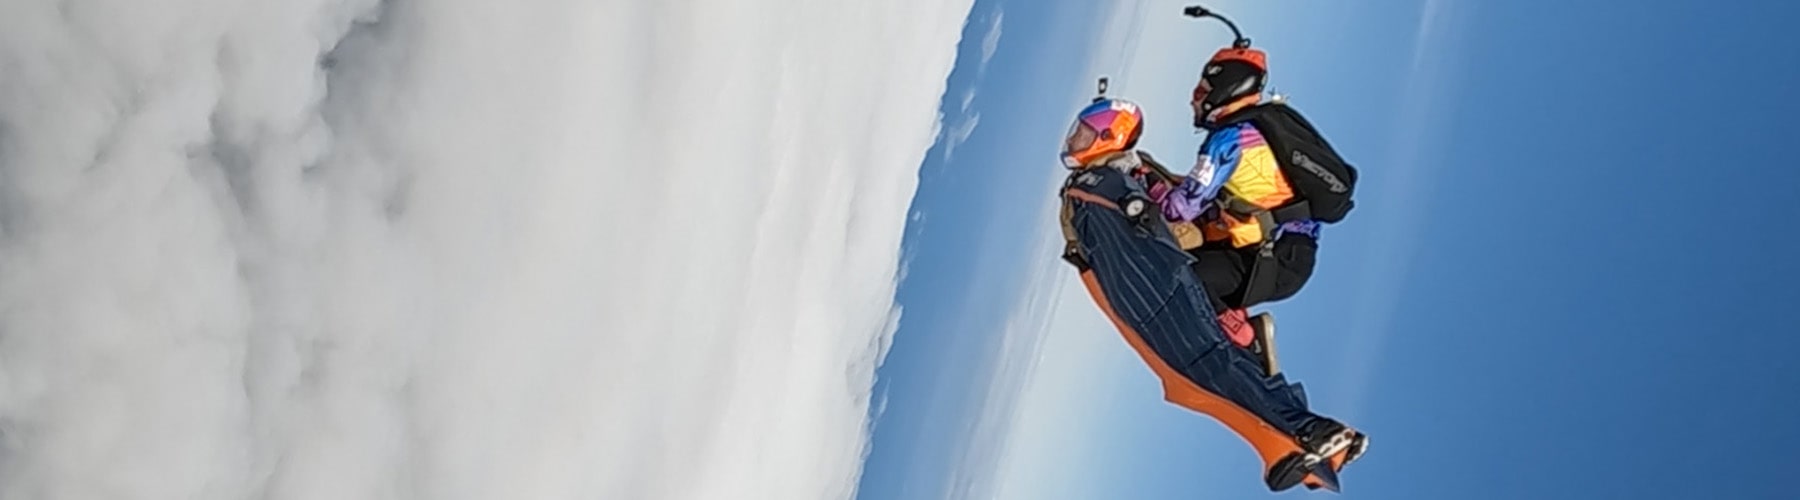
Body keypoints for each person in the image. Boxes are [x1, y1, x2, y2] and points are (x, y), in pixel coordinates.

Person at [1056, 86, 1368, 493]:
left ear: (1108, 137)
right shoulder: (1122, 176)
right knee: (1208, 364)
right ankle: (1302, 426)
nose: (1073, 141)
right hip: (1232, 264)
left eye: (1084, 133)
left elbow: (1168, 220)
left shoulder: (1102, 183)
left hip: (1190, 277)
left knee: (1201, 363)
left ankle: (1309, 433)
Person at [1152, 7, 1363, 378]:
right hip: (1278, 254)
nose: (1193, 99)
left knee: (1181, 274)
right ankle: (1231, 322)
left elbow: (1180, 207)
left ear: (1224, 88)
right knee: (1184, 252)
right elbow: (1219, 198)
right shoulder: (1254, 128)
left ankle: (1245, 342)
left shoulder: (1229, 140)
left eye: (1201, 89)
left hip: (1272, 261)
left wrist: (1149, 190)